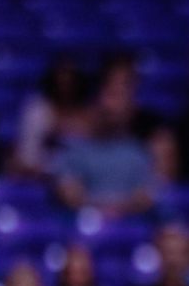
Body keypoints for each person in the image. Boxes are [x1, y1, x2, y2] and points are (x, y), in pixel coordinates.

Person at [52, 61, 155, 216]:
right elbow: (70, 195)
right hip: (83, 230)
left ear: (131, 109)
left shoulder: (139, 154)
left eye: (120, 97)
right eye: (109, 95)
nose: (112, 106)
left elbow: (145, 198)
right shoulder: (74, 150)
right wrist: (113, 208)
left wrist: (109, 208)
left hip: (128, 230)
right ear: (96, 102)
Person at [13, 55, 91, 176]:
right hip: (38, 175)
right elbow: (26, 158)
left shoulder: (89, 112)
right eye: (61, 81)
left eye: (71, 81)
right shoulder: (37, 111)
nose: (65, 86)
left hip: (79, 179)